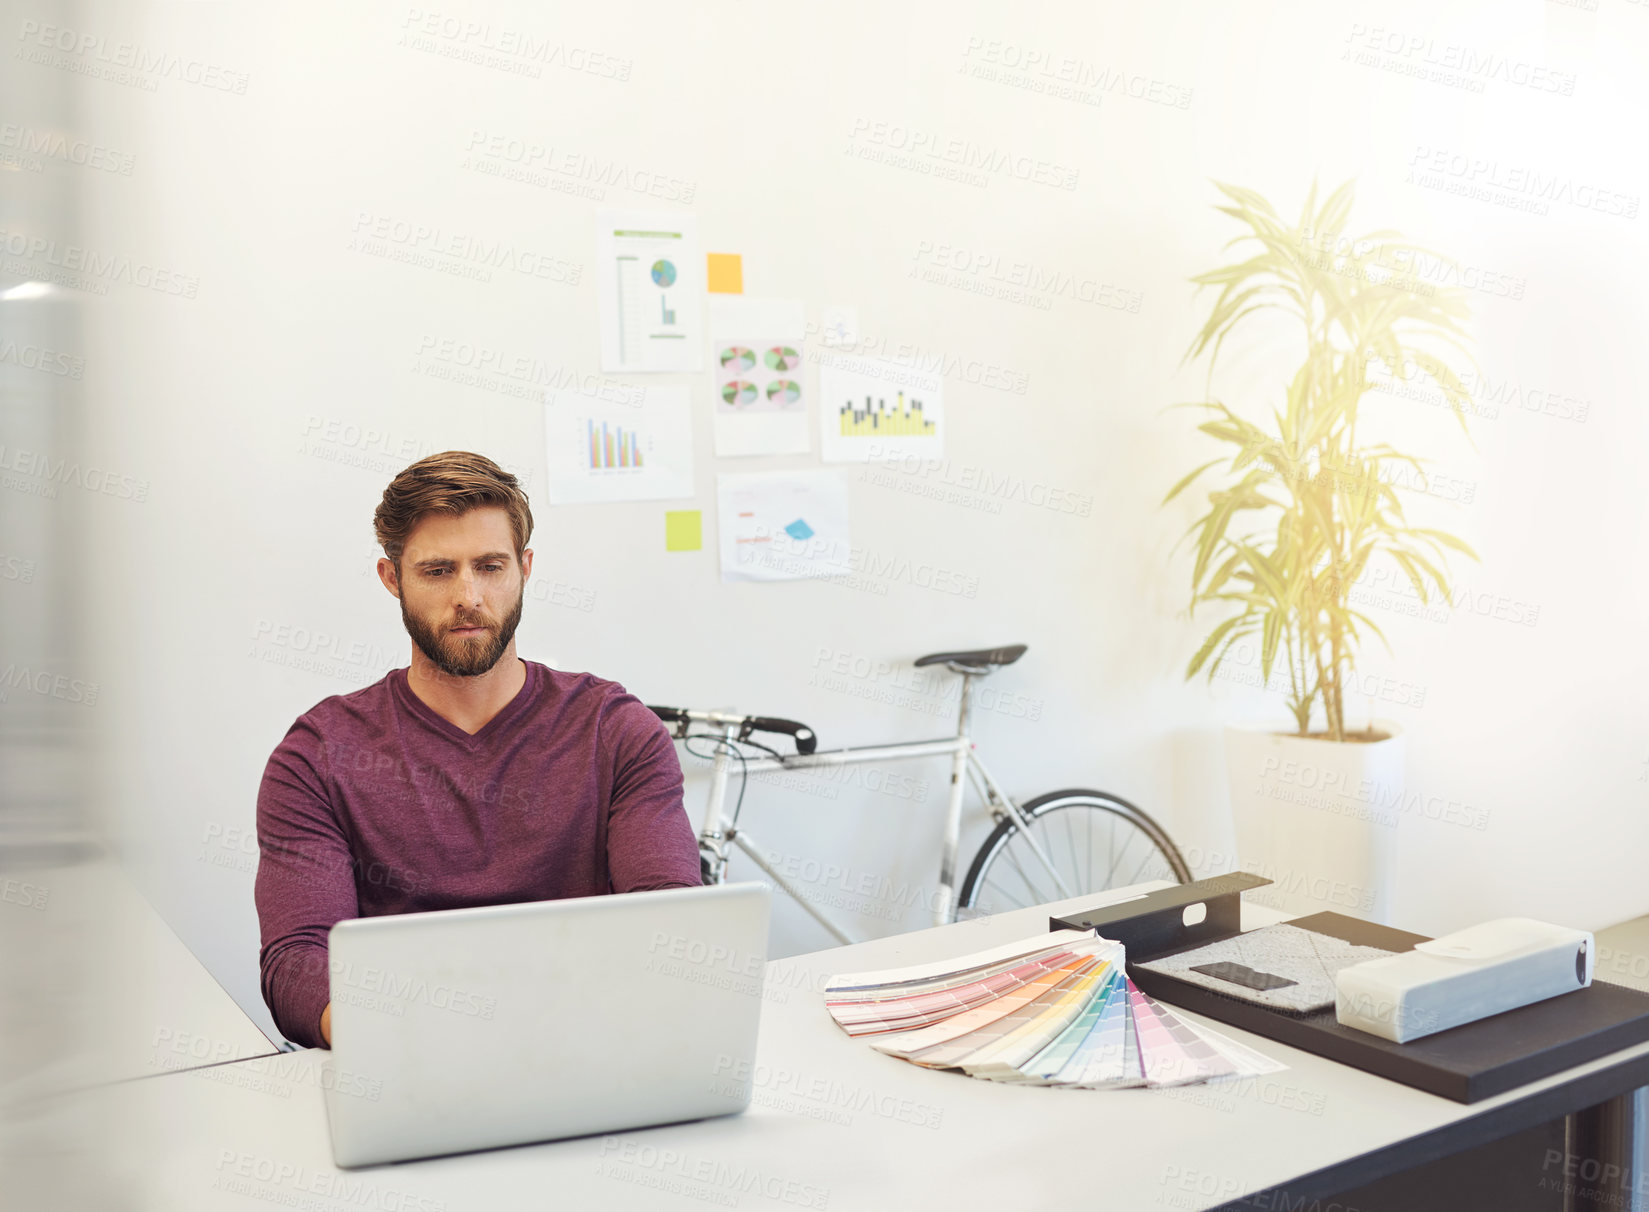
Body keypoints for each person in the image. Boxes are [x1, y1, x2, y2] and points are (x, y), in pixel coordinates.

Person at [254, 451, 700, 1049]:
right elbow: (299, 963)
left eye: (490, 566)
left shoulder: (616, 733)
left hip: (591, 1050)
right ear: (393, 579)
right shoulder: (318, 756)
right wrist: (411, 1048)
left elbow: (669, 922)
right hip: (404, 1065)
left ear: (524, 568)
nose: (469, 596)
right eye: (438, 571)